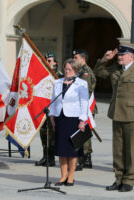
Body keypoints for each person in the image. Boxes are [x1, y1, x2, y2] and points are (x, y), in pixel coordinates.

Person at [94, 42, 134, 192]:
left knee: (130, 150)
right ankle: (118, 178)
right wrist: (105, 59)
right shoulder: (116, 69)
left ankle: (129, 180)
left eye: (122, 55)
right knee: (118, 149)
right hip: (117, 114)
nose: (119, 57)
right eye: (119, 55)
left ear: (131, 56)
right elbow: (98, 72)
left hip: (133, 116)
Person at [49, 58, 89, 186]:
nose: (66, 71)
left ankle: (71, 176)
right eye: (65, 69)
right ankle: (63, 176)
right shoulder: (57, 82)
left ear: (76, 71)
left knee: (72, 150)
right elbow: (53, 101)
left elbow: (84, 103)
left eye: (69, 70)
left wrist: (83, 120)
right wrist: (52, 117)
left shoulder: (81, 84)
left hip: (74, 119)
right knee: (61, 149)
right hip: (60, 117)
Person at [35, 52, 62, 167]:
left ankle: (51, 158)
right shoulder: (42, 74)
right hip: (43, 108)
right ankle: (45, 156)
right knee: (43, 134)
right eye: (46, 60)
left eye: (50, 60)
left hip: (53, 109)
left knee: (51, 135)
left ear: (55, 62)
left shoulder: (59, 75)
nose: (48, 63)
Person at [73, 49, 98, 170]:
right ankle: (84, 158)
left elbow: (85, 92)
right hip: (80, 106)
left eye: (76, 57)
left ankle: (85, 158)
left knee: (84, 133)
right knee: (82, 132)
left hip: (86, 107)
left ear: (83, 59)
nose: (74, 59)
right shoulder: (79, 71)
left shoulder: (86, 72)